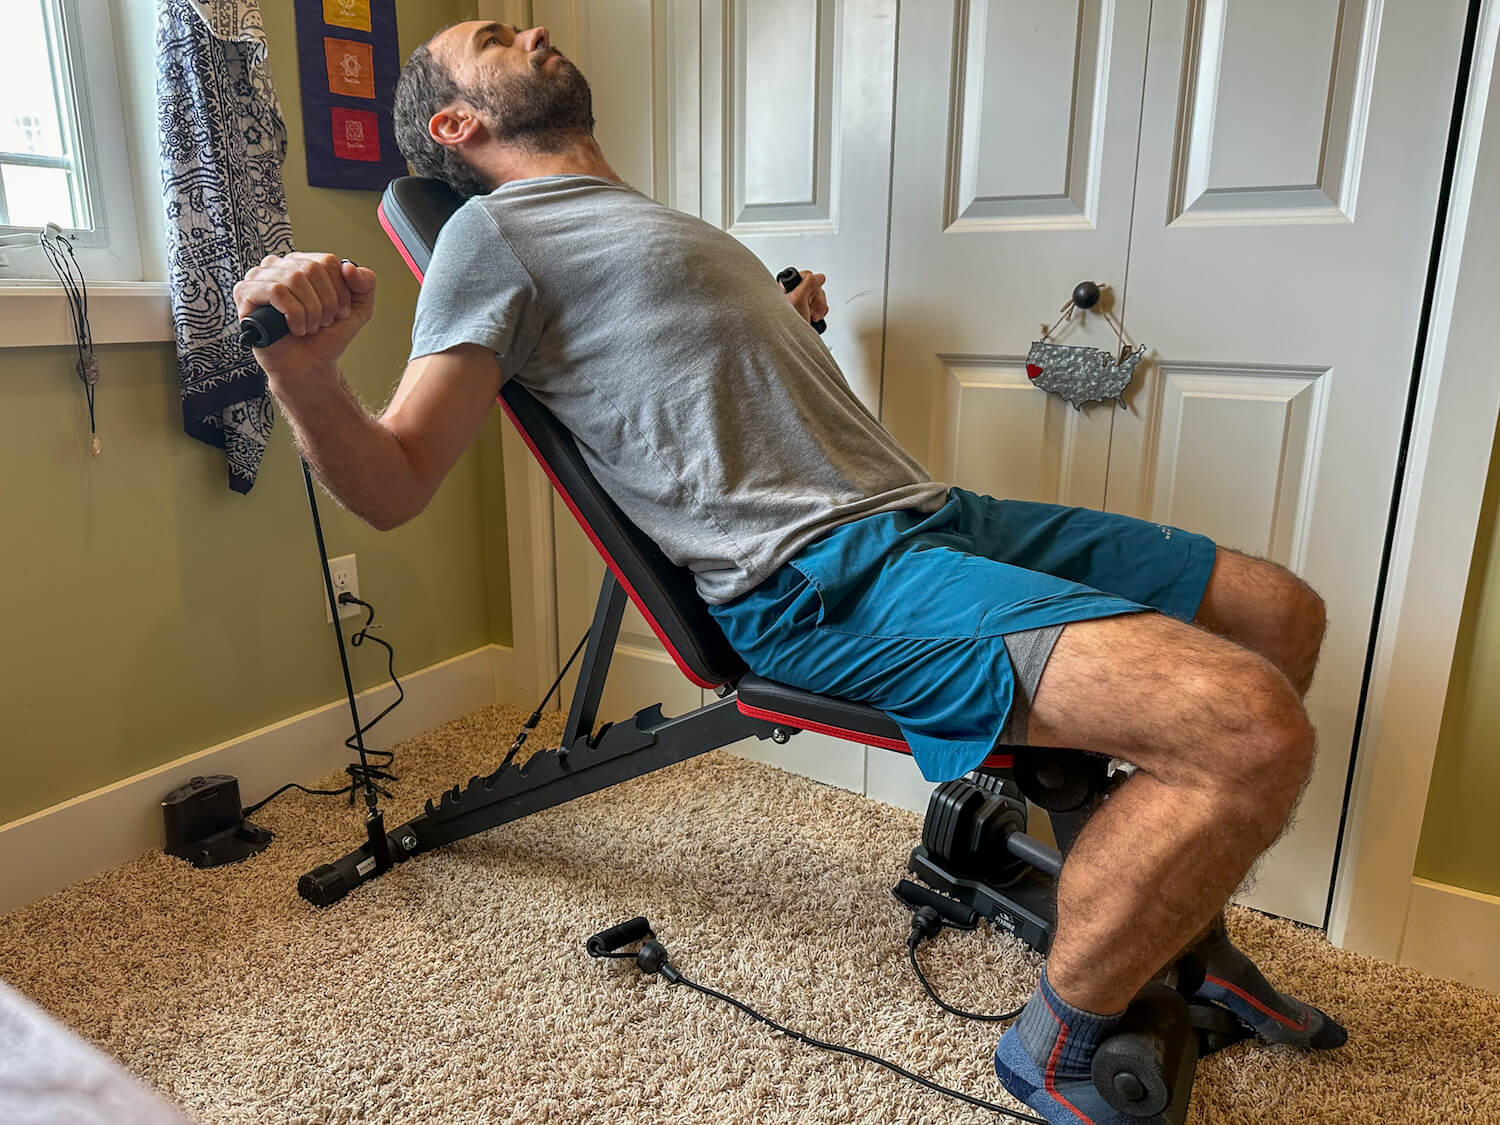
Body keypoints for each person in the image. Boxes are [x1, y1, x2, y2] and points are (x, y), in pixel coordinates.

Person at [233, 21, 1346, 1124]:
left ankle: (1182, 945)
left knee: (1277, 614)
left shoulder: (641, 215)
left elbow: (686, 377)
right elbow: (393, 483)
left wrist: (786, 317)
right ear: (456, 122)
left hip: (930, 511)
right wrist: (300, 365)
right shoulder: (493, 234)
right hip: (818, 575)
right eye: (492, 36)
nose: (531, 27)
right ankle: (1054, 1046)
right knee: (1247, 727)